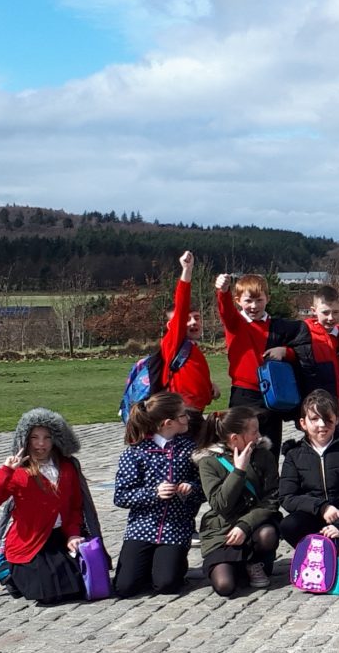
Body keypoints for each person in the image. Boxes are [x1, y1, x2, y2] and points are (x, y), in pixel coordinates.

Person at [0, 408, 94, 604]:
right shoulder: (18, 472)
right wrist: (6, 471)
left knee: (76, 588)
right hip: (29, 542)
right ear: (26, 440)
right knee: (48, 595)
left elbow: (75, 507)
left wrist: (73, 534)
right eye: (35, 438)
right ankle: (9, 573)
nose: (41, 444)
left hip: (58, 537)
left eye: (47, 438)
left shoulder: (67, 467)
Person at [112, 392, 201, 597]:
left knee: (167, 584)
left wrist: (190, 487)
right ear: (167, 423)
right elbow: (121, 496)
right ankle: (146, 567)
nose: (187, 418)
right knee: (125, 587)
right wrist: (154, 493)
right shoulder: (135, 452)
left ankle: (168, 566)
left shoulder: (189, 449)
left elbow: (203, 487)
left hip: (176, 526)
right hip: (141, 527)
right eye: (182, 415)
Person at [214, 272, 311, 457]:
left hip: (272, 395)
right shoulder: (236, 323)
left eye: (259, 300)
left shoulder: (279, 327)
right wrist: (223, 291)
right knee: (242, 449)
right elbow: (225, 310)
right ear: (238, 301)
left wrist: (286, 352)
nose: (254, 306)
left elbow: (301, 349)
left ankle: (271, 476)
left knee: (270, 449)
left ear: (268, 298)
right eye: (248, 300)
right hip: (245, 394)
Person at [193, 406, 282, 595]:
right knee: (225, 586)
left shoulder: (264, 455)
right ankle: (237, 565)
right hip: (222, 530)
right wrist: (238, 471)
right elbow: (220, 504)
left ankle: (254, 562)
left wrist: (245, 525)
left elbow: (272, 498)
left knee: (267, 534)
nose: (259, 436)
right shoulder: (209, 461)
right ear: (235, 438)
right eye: (254, 432)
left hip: (255, 526)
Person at [279, 390, 339, 559]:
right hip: (314, 516)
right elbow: (287, 497)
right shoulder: (294, 455)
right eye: (314, 419)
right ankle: (315, 553)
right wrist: (321, 507)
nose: (322, 424)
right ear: (303, 423)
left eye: (327, 418)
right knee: (289, 525)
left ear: (336, 419)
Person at [161, 250, 218, 412]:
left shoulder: (191, 347)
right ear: (171, 325)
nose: (194, 322)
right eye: (186, 319)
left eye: (197, 317)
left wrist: (209, 387)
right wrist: (187, 270)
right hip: (183, 411)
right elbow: (182, 303)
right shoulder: (173, 341)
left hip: (195, 411)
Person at [301, 285, 339, 429]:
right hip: (320, 416)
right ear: (314, 311)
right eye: (325, 312)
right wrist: (283, 351)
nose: (331, 318)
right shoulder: (305, 337)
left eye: (336, 312)